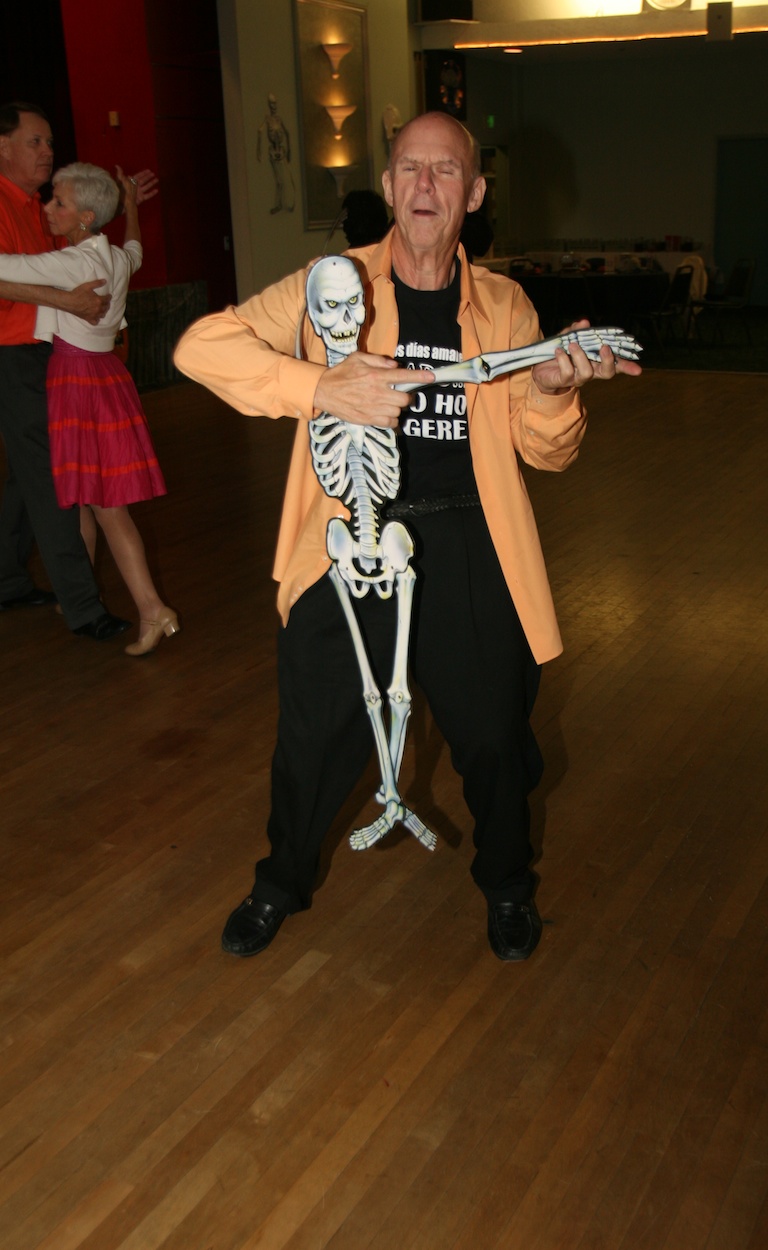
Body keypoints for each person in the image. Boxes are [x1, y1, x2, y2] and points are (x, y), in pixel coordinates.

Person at [174, 111, 641, 962]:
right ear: (388, 187)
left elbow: (548, 452)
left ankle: (506, 883)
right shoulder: (332, 285)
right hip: (346, 537)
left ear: (473, 192)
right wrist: (321, 388)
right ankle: (279, 881)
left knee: (496, 736)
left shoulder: (501, 306)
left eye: (444, 171)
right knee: (315, 734)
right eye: (408, 170)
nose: (424, 186)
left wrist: (549, 388)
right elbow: (200, 349)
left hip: (467, 536)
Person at [0, 162, 178, 657]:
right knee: (82, 497)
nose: (47, 208)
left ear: (83, 217)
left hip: (77, 384)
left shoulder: (74, 262)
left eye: (57, 202)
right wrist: (134, 207)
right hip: (103, 380)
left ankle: (152, 608)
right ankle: (79, 595)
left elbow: (3, 269)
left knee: (106, 507)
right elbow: (138, 251)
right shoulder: (115, 256)